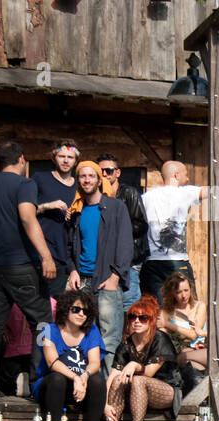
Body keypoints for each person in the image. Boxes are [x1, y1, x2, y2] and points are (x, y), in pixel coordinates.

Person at [0, 142, 56, 384]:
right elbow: (27, 218)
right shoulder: (25, 184)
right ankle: (38, 380)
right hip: (21, 265)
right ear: (22, 160)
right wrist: (46, 256)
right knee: (43, 323)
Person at [65, 159, 132, 359]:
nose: (87, 180)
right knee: (78, 335)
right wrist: (73, 270)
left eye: (91, 176)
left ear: (99, 179)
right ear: (78, 180)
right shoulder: (76, 211)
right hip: (81, 281)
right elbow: (69, 246)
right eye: (83, 176)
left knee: (109, 337)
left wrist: (116, 276)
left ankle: (107, 387)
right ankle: (84, 384)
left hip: (106, 279)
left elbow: (126, 244)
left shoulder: (115, 207)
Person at [104, 295, 181, 421]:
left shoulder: (160, 339)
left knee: (138, 380)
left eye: (143, 318)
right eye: (133, 317)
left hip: (166, 390)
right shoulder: (126, 344)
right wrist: (105, 404)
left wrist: (134, 364)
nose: (137, 321)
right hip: (135, 393)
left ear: (151, 320)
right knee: (118, 379)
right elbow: (112, 376)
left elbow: (149, 373)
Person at [33, 288, 106, 421]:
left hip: (80, 387)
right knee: (57, 379)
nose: (81, 314)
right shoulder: (48, 330)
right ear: (66, 309)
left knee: (98, 380)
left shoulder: (92, 330)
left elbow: (95, 362)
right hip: (52, 387)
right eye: (76, 309)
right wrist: (75, 377)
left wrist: (84, 376)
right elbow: (52, 362)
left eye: (85, 311)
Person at [139, 160, 206, 298]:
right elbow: (210, 192)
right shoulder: (184, 192)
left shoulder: (146, 197)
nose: (187, 179)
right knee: (189, 307)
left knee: (156, 310)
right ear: (176, 175)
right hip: (177, 260)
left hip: (152, 262)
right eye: (186, 175)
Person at [96, 153, 148, 314]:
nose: (104, 174)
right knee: (104, 306)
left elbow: (140, 224)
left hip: (129, 260)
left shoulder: (129, 193)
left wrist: (116, 231)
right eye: (100, 171)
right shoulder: (95, 196)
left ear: (117, 173)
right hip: (104, 261)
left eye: (108, 170)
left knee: (129, 306)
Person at [31, 140, 78, 298]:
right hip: (41, 252)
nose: (65, 160)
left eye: (70, 157)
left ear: (75, 160)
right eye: (61, 156)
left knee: (56, 306)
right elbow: (25, 212)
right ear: (54, 158)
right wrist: (48, 206)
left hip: (66, 255)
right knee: (36, 304)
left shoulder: (80, 186)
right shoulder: (40, 179)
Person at [159, 272, 206, 365]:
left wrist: (167, 324)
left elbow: (193, 335)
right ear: (172, 293)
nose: (184, 295)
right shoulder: (167, 311)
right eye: (179, 292)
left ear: (191, 289)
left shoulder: (200, 306)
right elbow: (160, 330)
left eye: (186, 290)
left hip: (198, 350)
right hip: (177, 352)